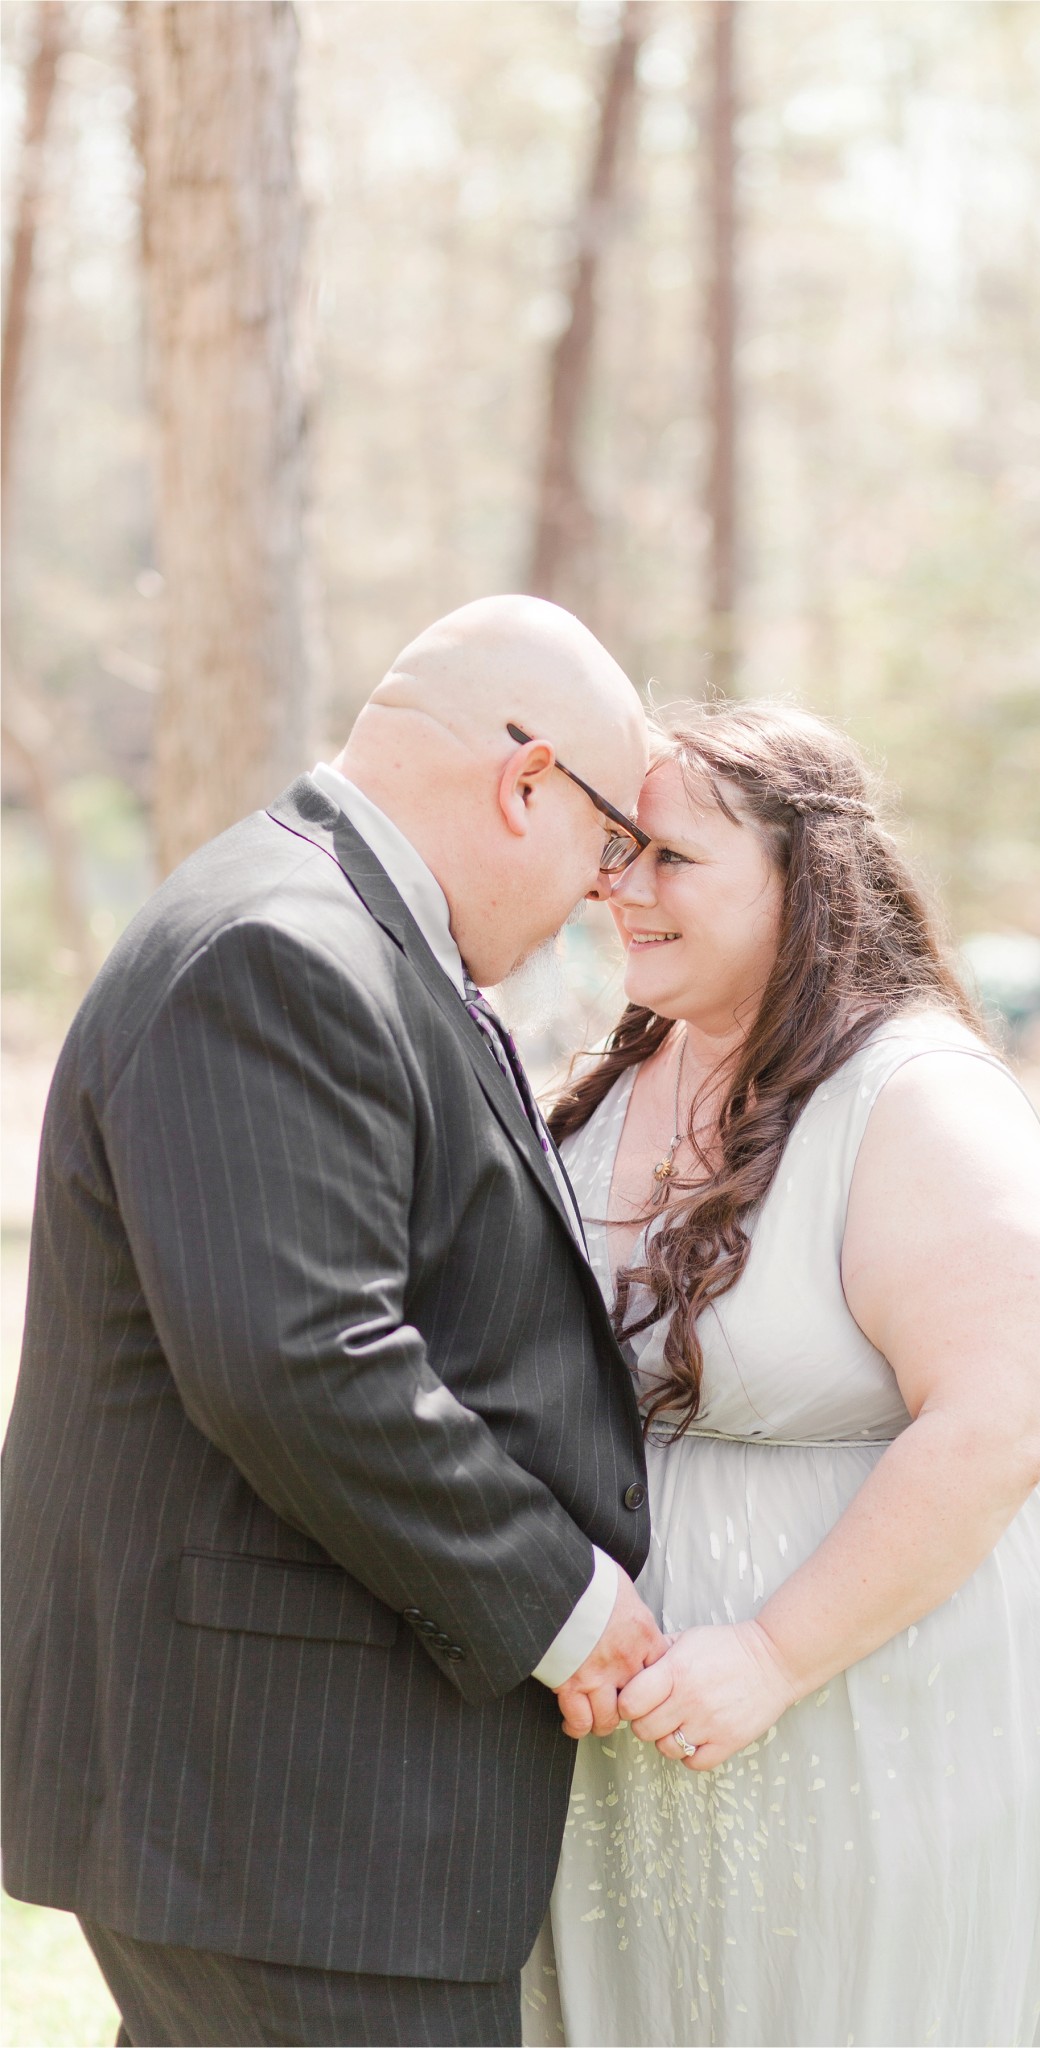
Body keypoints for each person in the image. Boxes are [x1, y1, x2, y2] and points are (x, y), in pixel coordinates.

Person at [2, 596, 668, 2048]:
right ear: (528, 783)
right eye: (606, 843)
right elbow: (303, 1358)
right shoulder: (280, 949)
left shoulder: (332, 926)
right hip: (290, 1809)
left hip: (282, 1809)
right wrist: (560, 1602)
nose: (600, 896)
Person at [522, 702, 1040, 2048]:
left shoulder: (912, 1097)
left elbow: (995, 1422)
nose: (615, 886)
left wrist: (769, 1651)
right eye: (615, 849)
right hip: (645, 1720)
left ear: (803, 881)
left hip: (882, 1702)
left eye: (668, 858)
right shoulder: (632, 1060)